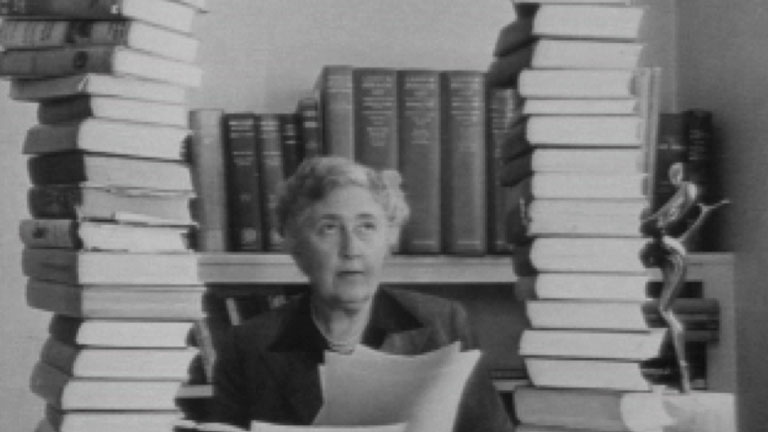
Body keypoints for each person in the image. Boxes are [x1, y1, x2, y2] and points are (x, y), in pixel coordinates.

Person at [210, 156, 514, 432]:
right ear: (296, 245)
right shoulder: (247, 347)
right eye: (329, 228)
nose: (351, 249)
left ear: (389, 239)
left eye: (366, 226)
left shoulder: (443, 325)